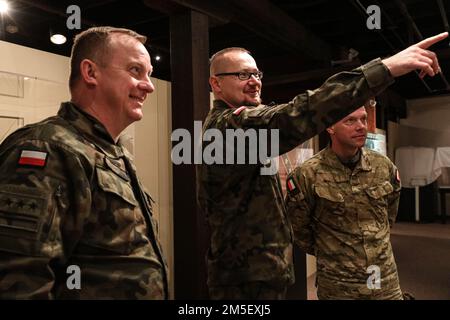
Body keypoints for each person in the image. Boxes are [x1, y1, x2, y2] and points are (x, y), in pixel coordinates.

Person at [196, 32, 448, 300]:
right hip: (244, 281)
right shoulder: (227, 127)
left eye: (257, 74)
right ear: (216, 84)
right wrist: (383, 69)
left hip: (257, 273)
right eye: (242, 75)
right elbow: (294, 116)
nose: (254, 82)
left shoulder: (234, 125)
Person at [0, 26, 168, 299]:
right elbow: (20, 279)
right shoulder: (48, 148)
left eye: (149, 74)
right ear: (91, 72)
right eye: (135, 71)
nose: (148, 85)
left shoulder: (113, 154)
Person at [285, 106, 403, 300]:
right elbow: (299, 230)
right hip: (338, 285)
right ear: (330, 127)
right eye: (350, 121)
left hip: (385, 280)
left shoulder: (383, 167)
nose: (361, 127)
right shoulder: (308, 174)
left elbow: (388, 216)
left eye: (363, 120)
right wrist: (333, 252)